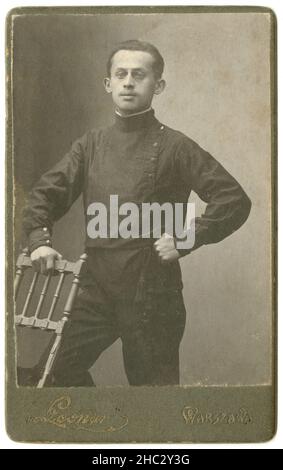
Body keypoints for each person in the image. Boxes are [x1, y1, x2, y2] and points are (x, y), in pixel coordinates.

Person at [22, 39, 251, 386]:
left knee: (153, 402)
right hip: (94, 291)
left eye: (139, 75)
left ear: (157, 85)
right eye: (121, 74)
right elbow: (43, 195)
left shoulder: (176, 146)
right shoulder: (90, 145)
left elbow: (233, 200)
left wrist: (187, 237)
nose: (129, 82)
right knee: (51, 377)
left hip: (153, 297)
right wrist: (39, 240)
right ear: (108, 83)